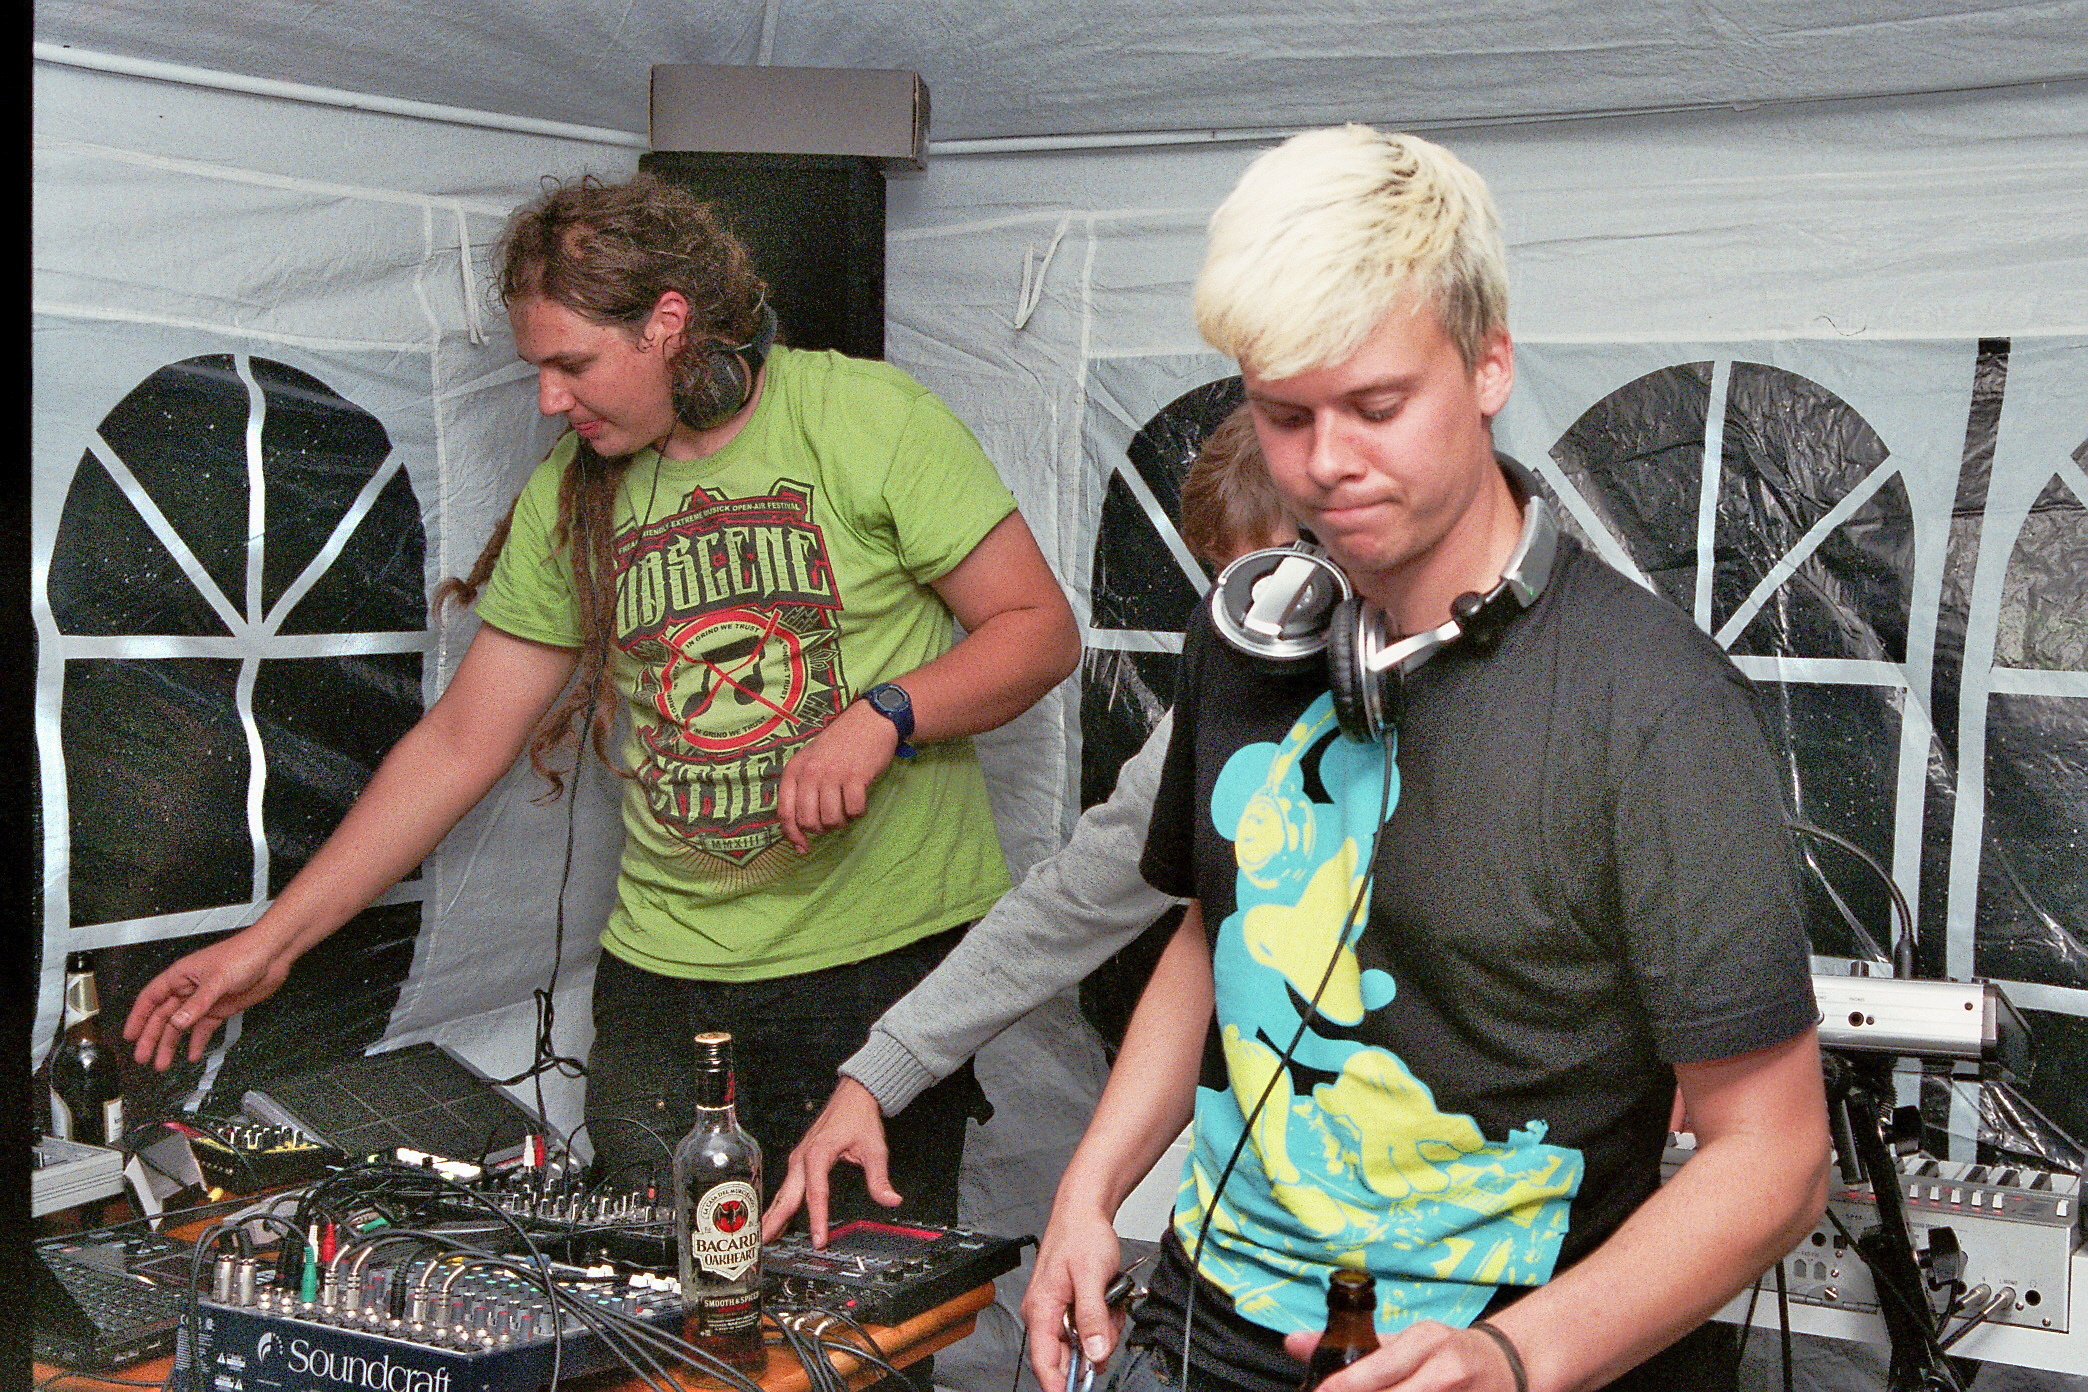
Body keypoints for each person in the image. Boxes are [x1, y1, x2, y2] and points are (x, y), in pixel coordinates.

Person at [1021, 125, 1829, 1392]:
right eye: (1284, 416)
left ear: (1490, 360)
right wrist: (1093, 1185)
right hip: (1200, 1333)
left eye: (1377, 407)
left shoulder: (1652, 708)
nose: (1325, 464)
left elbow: (1775, 1159)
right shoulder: (1248, 638)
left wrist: (1510, 1357)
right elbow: (1214, 929)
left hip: (1502, 1354)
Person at [123, 173, 1081, 1221]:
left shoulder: (867, 418)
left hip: (878, 977)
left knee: (860, 1308)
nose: (548, 400)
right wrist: (270, 944)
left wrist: (883, 715)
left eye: (571, 365)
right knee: (652, 1306)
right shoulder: (571, 495)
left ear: (667, 324)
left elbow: (1037, 631)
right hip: (662, 990)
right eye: (537, 369)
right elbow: (459, 743)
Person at [761, 404, 1296, 1244]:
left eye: (1281, 583)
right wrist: (876, 1075)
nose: (1260, 621)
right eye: (1235, 587)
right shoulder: (1226, 701)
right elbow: (1076, 901)